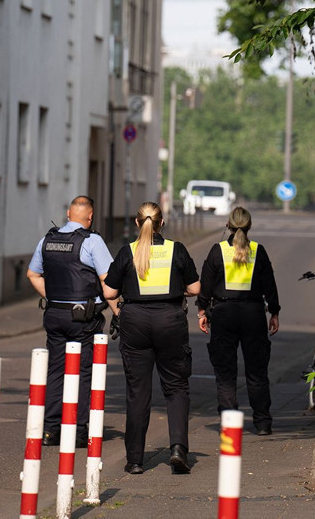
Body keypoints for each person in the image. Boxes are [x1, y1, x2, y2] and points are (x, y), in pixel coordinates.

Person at [103, 202, 200, 475]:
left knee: (138, 392)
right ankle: (178, 449)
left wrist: (124, 301)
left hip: (135, 322)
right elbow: (195, 288)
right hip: (170, 320)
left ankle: (135, 460)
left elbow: (109, 292)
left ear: (137, 223)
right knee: (176, 386)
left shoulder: (127, 251)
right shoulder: (176, 250)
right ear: (162, 223)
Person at [27, 196, 118, 448]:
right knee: (83, 372)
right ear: (90, 217)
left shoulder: (47, 240)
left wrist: (52, 297)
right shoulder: (92, 241)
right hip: (83, 319)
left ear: (68, 214)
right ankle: (78, 430)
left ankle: (50, 429)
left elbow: (32, 274)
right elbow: (108, 282)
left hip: (55, 315)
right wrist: (119, 313)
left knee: (56, 370)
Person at [196, 206, 280, 435]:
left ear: (229, 225)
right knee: (257, 371)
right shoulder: (258, 251)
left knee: (225, 373)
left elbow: (205, 285)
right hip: (253, 314)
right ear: (249, 226)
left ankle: (229, 424)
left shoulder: (217, 251)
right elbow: (269, 285)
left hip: (223, 315)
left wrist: (202, 311)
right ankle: (262, 423)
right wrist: (274, 312)